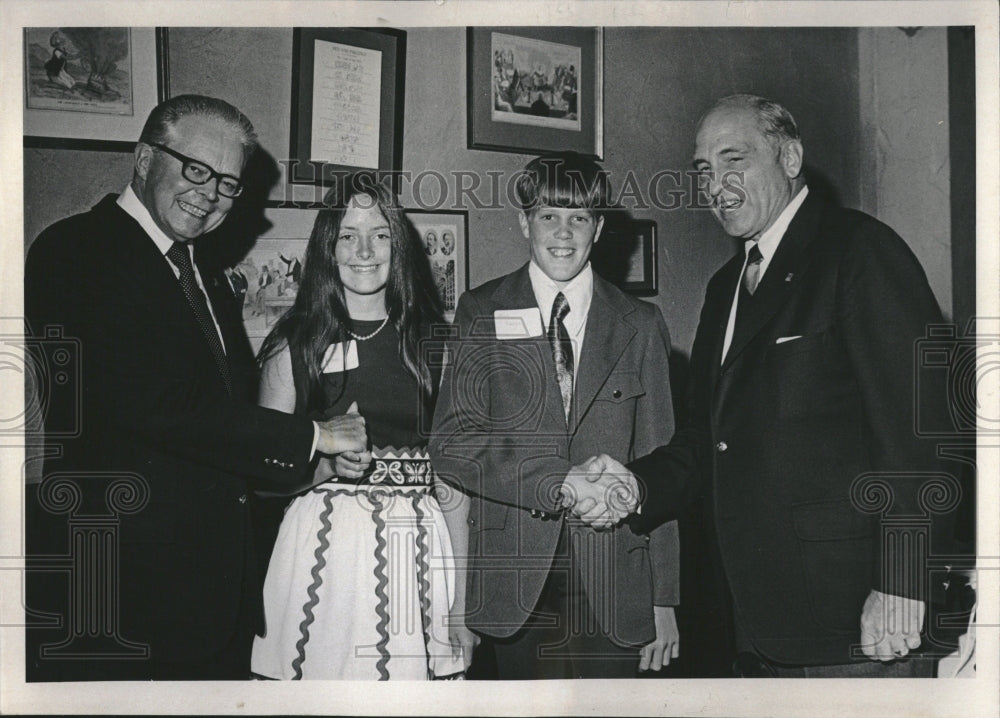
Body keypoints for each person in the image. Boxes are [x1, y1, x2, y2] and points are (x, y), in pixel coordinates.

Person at [571, 94, 949, 677]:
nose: (716, 184)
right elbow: (707, 439)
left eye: (733, 160)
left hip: (857, 623)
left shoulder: (860, 251)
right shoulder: (724, 287)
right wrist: (636, 487)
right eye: (704, 170)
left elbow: (919, 430)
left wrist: (902, 582)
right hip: (748, 622)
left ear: (790, 157)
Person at [24, 94, 367, 681]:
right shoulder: (74, 250)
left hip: (209, 599)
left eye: (228, 184)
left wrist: (303, 470)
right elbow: (146, 402)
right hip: (118, 594)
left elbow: (221, 413)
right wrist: (310, 435)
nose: (209, 195)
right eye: (195, 170)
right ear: (143, 159)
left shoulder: (202, 268)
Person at [429, 152, 680, 679]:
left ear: (600, 227)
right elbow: (453, 445)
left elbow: (663, 459)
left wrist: (666, 599)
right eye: (548, 215)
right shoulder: (482, 309)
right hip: (513, 584)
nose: (563, 233)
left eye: (579, 218)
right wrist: (557, 482)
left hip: (618, 582)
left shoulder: (641, 323)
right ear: (524, 222)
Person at [249, 175, 466, 680]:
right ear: (328, 246)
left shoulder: (435, 343)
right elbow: (259, 474)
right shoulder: (294, 344)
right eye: (348, 235)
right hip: (324, 558)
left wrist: (461, 604)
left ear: (400, 244)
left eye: (380, 234)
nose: (364, 250)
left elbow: (456, 481)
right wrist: (324, 466)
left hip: (417, 549)